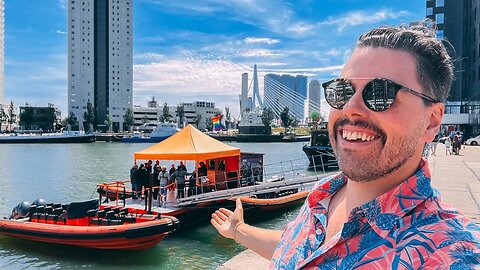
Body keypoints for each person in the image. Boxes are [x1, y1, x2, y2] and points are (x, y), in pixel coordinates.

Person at [211, 24, 480, 268]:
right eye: (342, 91)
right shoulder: (323, 194)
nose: (350, 107)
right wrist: (238, 230)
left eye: (381, 93)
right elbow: (302, 250)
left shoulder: (448, 252)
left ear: (432, 121)